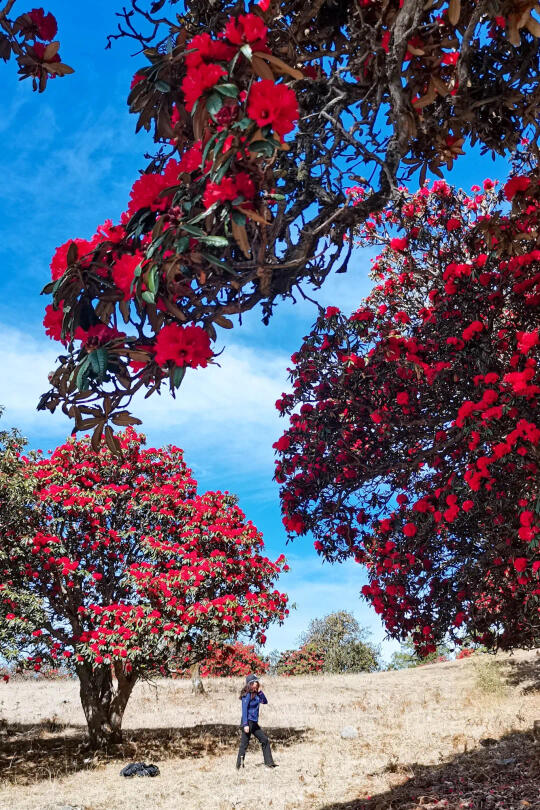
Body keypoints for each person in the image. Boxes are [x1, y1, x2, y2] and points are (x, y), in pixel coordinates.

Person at [236, 673, 276, 770]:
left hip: (254, 723)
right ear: (250, 684)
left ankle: (269, 763)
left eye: (257, 682)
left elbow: (265, 702)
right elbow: (244, 710)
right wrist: (245, 724)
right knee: (244, 745)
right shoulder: (247, 695)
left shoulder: (257, 694)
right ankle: (239, 766)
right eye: (255, 682)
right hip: (248, 722)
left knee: (265, 740)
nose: (257, 683)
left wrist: (260, 692)